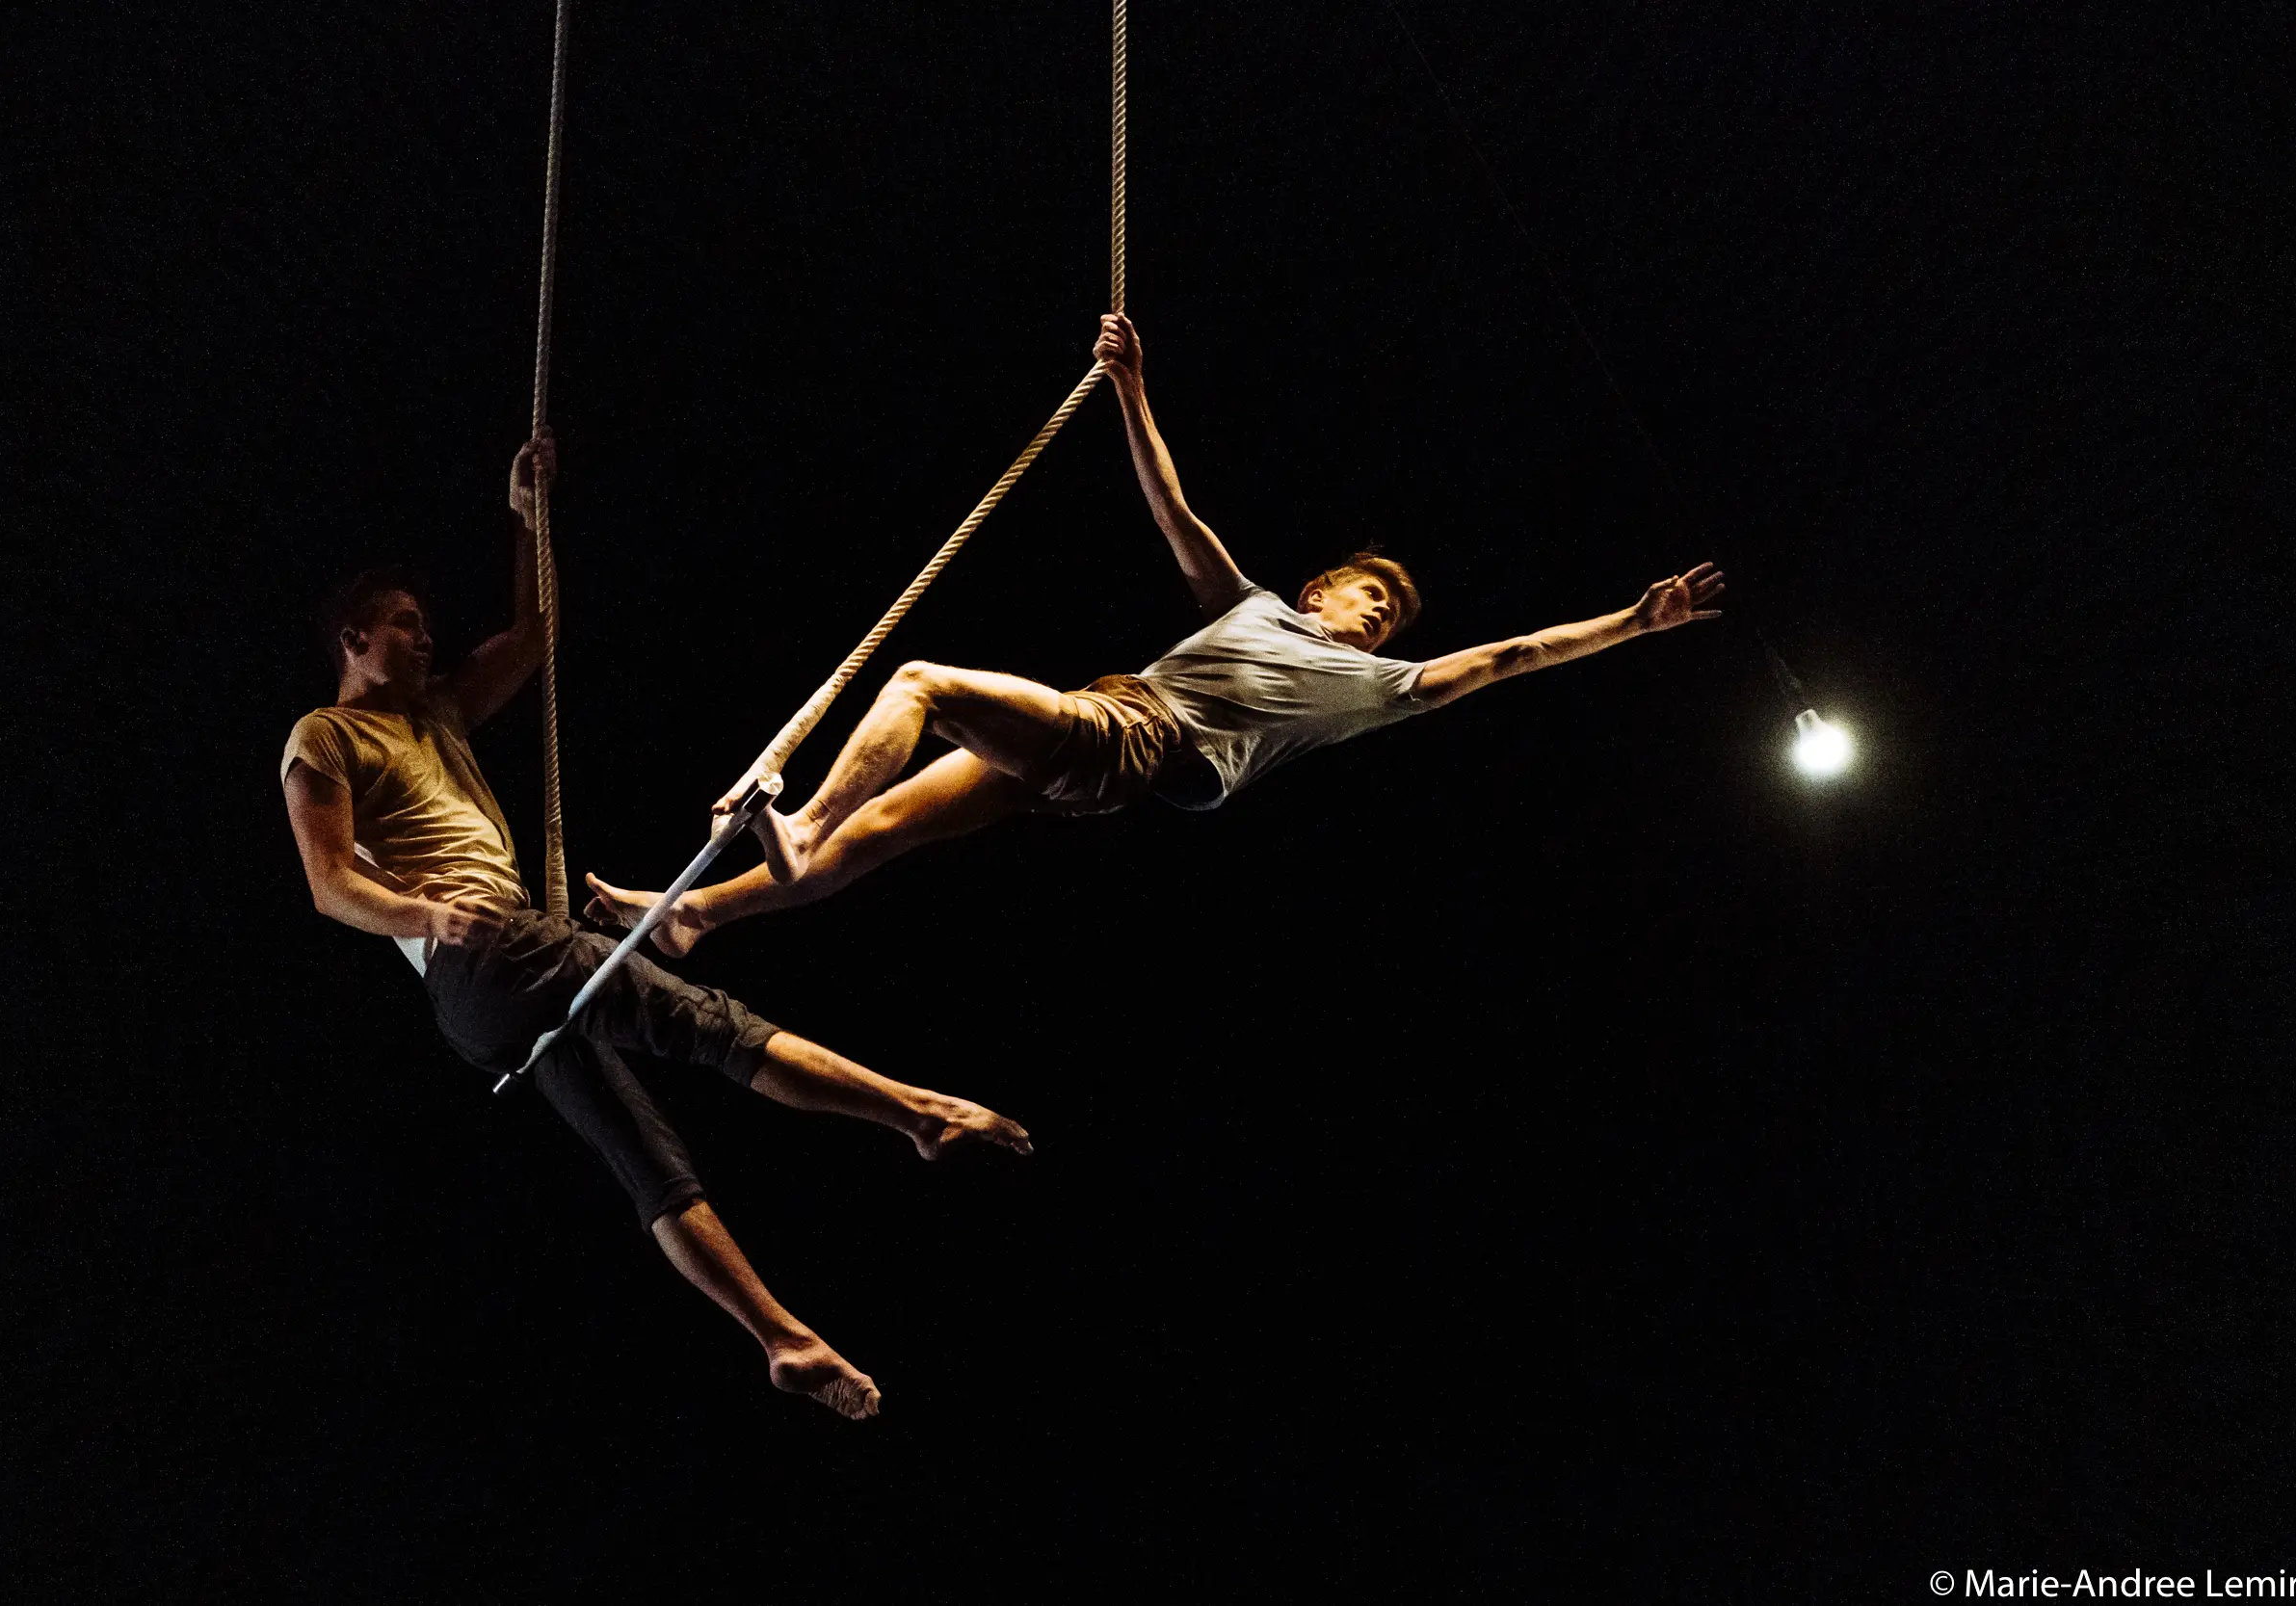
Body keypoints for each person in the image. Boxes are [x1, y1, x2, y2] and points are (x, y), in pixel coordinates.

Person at [279, 439, 1032, 1422]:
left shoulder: (440, 714)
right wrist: (426, 911)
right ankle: (917, 1113)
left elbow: (536, 629)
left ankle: (782, 1337)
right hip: (483, 956)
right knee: (709, 1023)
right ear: (352, 636)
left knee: (648, 1158)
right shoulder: (323, 736)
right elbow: (329, 883)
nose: (426, 641)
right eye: (405, 627)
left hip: (498, 986)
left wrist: (524, 513)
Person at [584, 314, 1727, 957]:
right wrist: (1130, 388)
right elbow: (1174, 512)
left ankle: (792, 819)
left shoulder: (1378, 685)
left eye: (1389, 619)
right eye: (1366, 599)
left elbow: (1510, 656)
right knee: (886, 833)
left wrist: (1633, 621)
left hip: (1145, 743)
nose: (1378, 619)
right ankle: (694, 916)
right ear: (1321, 586)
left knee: (923, 679)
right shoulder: (1250, 604)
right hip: (1102, 741)